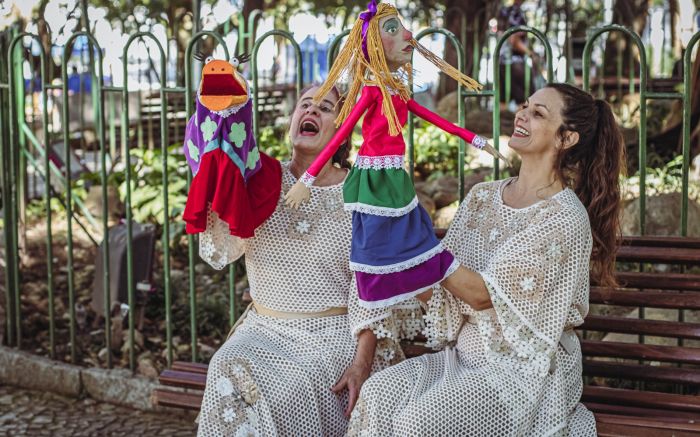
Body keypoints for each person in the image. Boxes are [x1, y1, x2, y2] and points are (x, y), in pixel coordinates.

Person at [346, 83, 625, 436]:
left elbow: (481, 294)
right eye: (525, 105)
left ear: (566, 139)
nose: (521, 114)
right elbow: (445, 290)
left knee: (418, 422)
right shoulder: (483, 196)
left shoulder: (563, 218)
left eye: (538, 113)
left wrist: (415, 247)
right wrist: (390, 253)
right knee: (377, 395)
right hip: (462, 359)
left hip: (521, 374)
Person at [196, 85, 421, 436]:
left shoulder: (359, 194)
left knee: (287, 390)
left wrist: (362, 364)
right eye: (305, 105)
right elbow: (223, 247)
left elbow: (370, 293)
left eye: (326, 108)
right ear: (292, 122)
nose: (312, 112)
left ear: (343, 128)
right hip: (262, 330)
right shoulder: (261, 179)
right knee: (224, 363)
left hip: (331, 338)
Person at [285, 0, 505, 311]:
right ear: (374, 45)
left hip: (395, 173)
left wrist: (477, 141)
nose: (408, 34)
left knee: (414, 229)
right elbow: (341, 134)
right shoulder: (372, 91)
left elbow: (439, 120)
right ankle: (381, 291)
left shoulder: (397, 92)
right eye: (393, 29)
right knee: (374, 237)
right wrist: (306, 180)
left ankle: (419, 282)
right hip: (374, 174)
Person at [498, 0, 537, 109]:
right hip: (515, 62)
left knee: (503, 101)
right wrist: (530, 53)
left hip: (501, 61)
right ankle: (519, 126)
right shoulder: (516, 12)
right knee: (525, 101)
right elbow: (513, 39)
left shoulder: (504, 10)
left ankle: (501, 125)